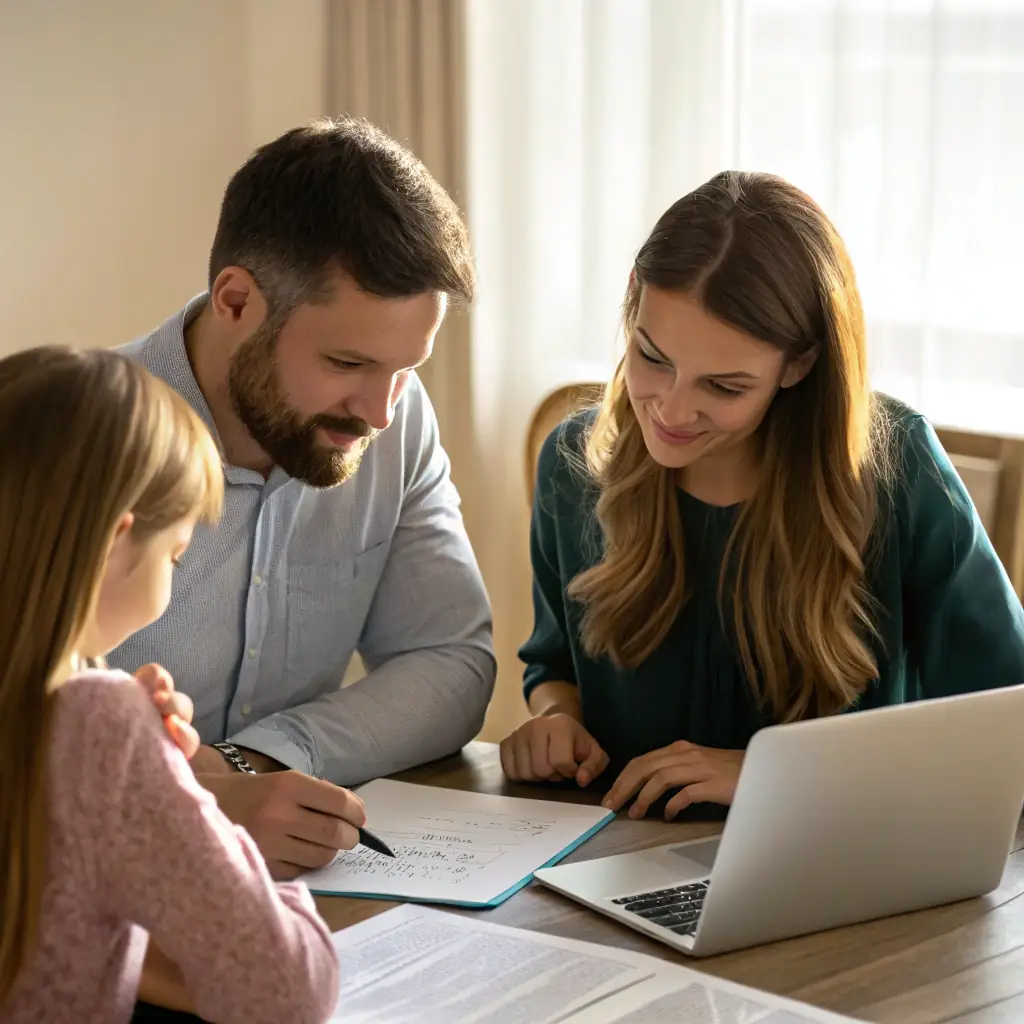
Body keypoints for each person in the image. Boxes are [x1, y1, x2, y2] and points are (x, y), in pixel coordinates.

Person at [502, 171, 1024, 820]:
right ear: (633, 300)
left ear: (799, 364)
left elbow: (1007, 724)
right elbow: (553, 664)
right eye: (652, 356)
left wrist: (769, 776)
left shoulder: (899, 471)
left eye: (724, 387)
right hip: (615, 862)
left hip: (835, 861)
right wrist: (555, 720)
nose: (670, 408)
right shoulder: (574, 465)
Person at [108, 116, 496, 882]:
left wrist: (252, 761)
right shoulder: (64, 439)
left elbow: (450, 663)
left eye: (406, 368)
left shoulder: (391, 417)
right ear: (237, 301)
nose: (380, 412)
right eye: (348, 360)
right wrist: (181, 802)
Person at [0, 347, 341, 1024]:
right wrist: (182, 798)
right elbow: (288, 991)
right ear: (114, 542)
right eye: (175, 555)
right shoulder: (99, 724)